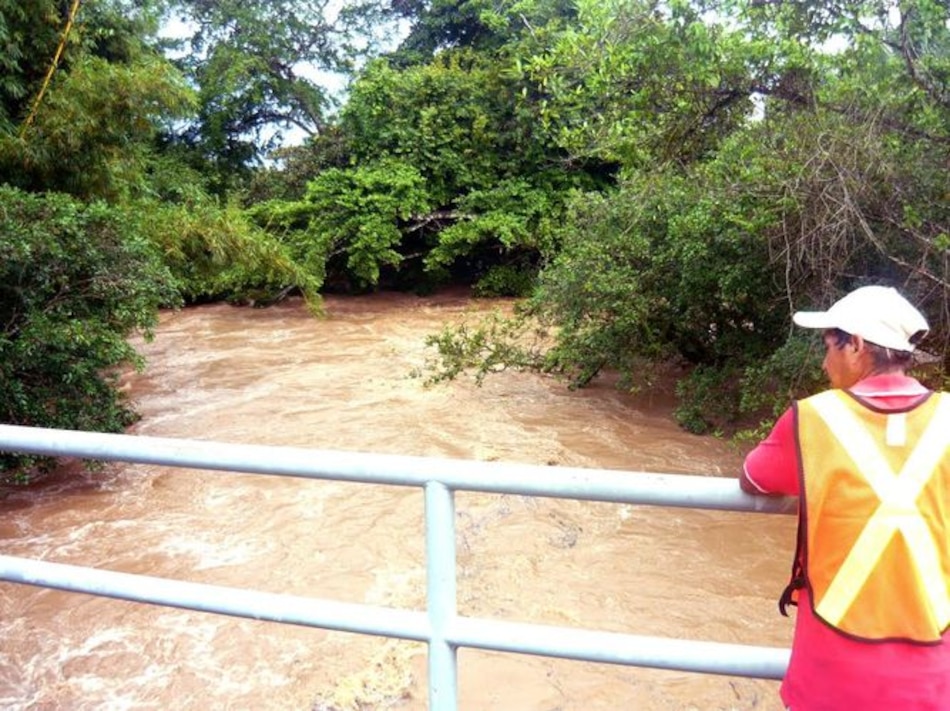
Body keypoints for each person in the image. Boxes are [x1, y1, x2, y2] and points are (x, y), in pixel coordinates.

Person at [739, 285, 950, 711]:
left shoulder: (811, 419)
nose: (823, 361)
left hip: (831, 680)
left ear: (855, 345)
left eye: (828, 345)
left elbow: (753, 478)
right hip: (932, 682)